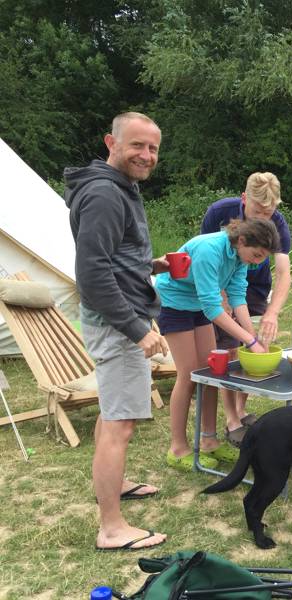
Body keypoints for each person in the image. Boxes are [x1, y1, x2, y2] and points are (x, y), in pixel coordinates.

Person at [64, 111, 168, 550]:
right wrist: (137, 330)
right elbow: (92, 273)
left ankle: (114, 483)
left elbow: (111, 257)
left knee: (112, 413)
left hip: (115, 317)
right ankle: (111, 528)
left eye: (153, 148)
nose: (146, 155)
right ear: (112, 142)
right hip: (118, 323)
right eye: (137, 145)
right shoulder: (106, 194)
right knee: (120, 424)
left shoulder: (118, 186)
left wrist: (150, 265)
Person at [155, 220, 282, 471]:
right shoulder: (209, 249)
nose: (257, 262)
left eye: (262, 258)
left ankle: (209, 440)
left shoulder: (240, 257)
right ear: (242, 240)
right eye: (257, 255)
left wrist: (252, 335)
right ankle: (178, 448)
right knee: (188, 375)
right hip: (174, 302)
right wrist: (250, 341)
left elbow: (237, 296)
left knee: (211, 373)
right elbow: (214, 308)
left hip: (198, 304)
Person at [200, 172, 292, 445]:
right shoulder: (219, 212)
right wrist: (222, 298)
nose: (263, 217)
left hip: (253, 287)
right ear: (244, 199)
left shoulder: (278, 223)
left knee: (252, 346)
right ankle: (231, 419)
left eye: (268, 212)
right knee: (230, 348)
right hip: (218, 284)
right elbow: (206, 259)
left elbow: (284, 272)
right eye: (257, 210)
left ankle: (241, 409)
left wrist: (272, 312)